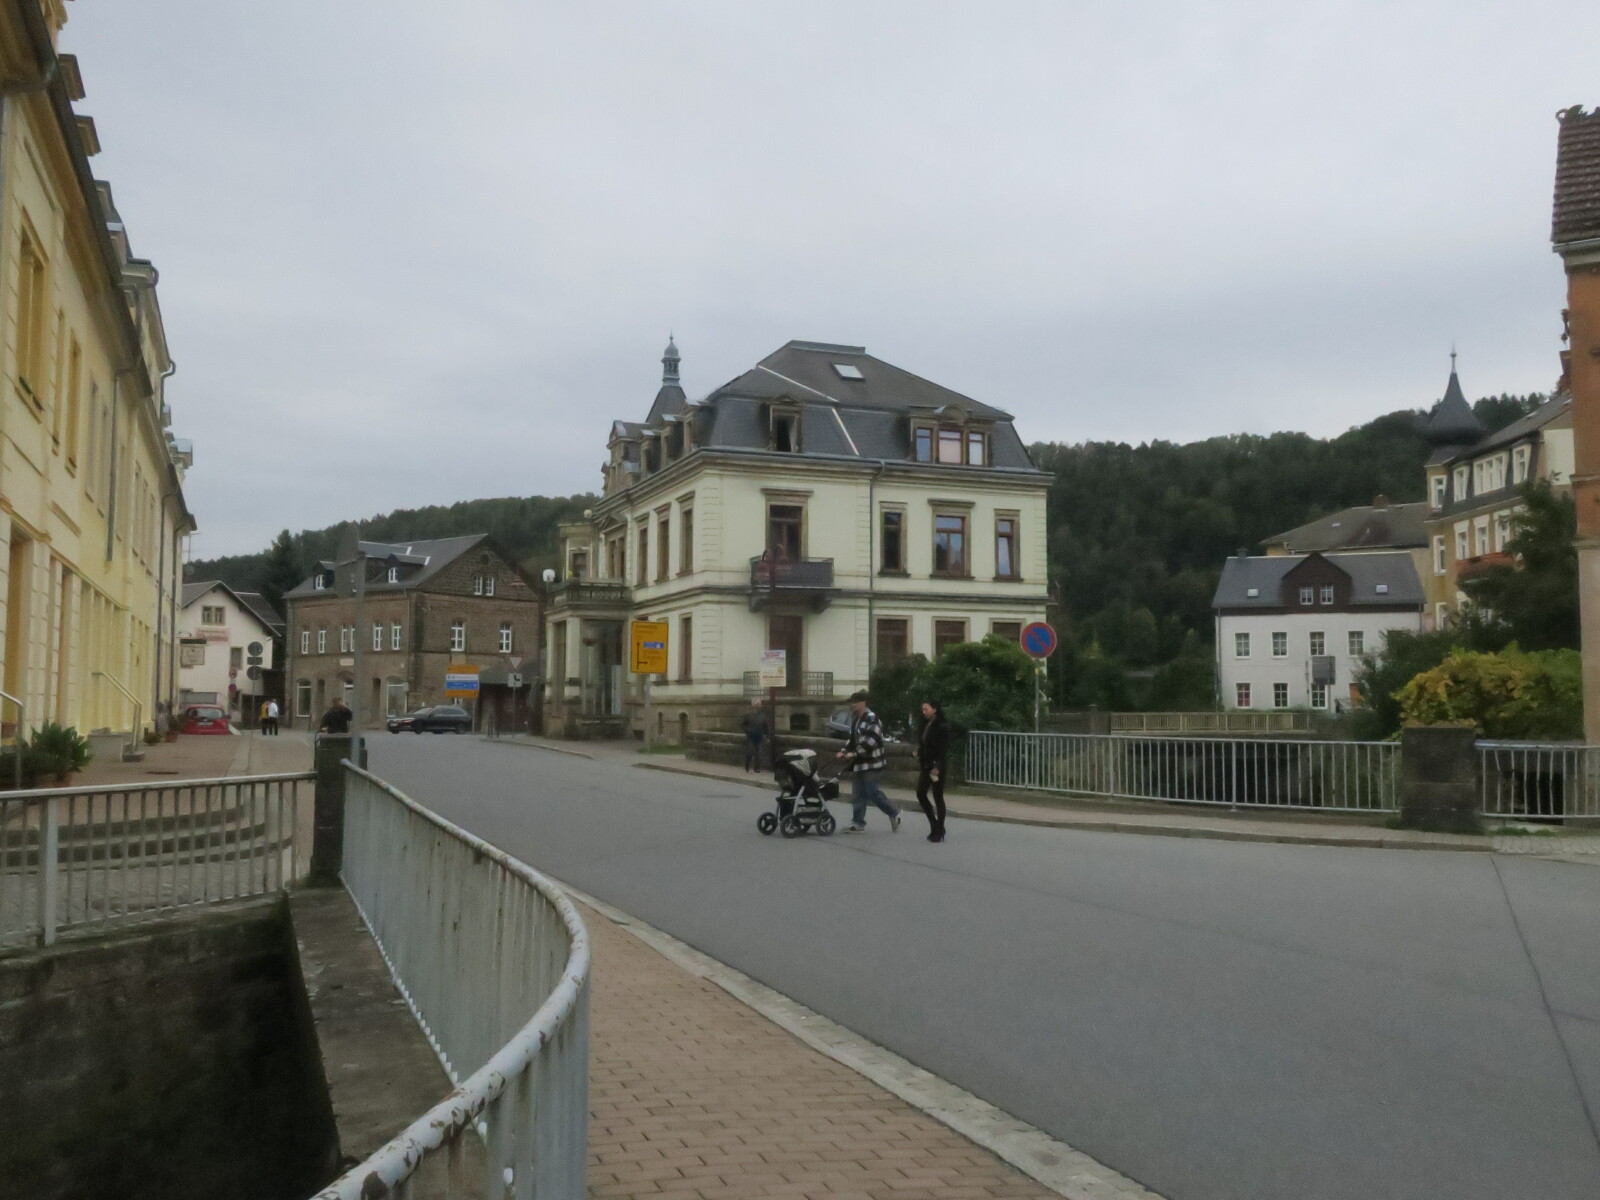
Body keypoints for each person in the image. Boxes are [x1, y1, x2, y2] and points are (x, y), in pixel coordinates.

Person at [836, 690, 900, 833]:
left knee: (872, 792)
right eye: (851, 702)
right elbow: (852, 739)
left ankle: (894, 813)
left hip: (872, 763)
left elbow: (871, 741)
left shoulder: (872, 718)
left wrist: (853, 753)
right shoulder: (856, 719)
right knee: (858, 794)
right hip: (859, 763)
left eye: (854, 702)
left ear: (863, 703)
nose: (852, 705)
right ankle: (858, 823)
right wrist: (844, 751)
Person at [915, 700, 949, 842]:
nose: (924, 712)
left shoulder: (941, 726)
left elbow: (943, 749)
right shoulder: (925, 724)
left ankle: (939, 829)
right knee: (920, 793)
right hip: (926, 764)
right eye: (923, 709)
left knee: (937, 796)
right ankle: (934, 824)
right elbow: (924, 743)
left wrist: (938, 767)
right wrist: (919, 752)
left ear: (934, 709)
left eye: (926, 709)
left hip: (936, 766)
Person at [740, 699, 769, 772]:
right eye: (759, 704)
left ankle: (757, 768)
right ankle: (747, 765)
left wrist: (767, 735)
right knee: (749, 752)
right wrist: (747, 731)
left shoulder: (762, 716)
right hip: (751, 736)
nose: (760, 706)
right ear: (754, 705)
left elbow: (766, 726)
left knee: (759, 753)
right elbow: (743, 724)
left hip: (760, 736)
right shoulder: (748, 715)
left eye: (760, 704)